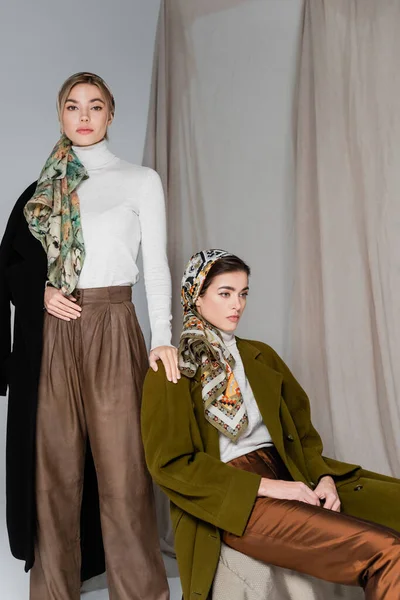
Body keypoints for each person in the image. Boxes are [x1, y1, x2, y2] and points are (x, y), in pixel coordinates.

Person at [0, 71, 179, 600]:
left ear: (110, 115)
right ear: (60, 114)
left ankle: (141, 593)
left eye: (95, 106)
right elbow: (9, 264)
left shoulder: (139, 180)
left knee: (124, 476)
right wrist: (38, 296)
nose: (83, 116)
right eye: (73, 106)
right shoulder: (40, 190)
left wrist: (163, 335)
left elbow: (158, 266)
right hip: (53, 334)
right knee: (51, 477)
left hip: (113, 323)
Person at [142, 249, 400, 600]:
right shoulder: (173, 370)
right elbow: (170, 465)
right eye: (225, 293)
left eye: (243, 293)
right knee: (386, 551)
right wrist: (266, 488)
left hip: (291, 471)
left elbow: (303, 434)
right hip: (234, 495)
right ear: (196, 297)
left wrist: (323, 477)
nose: (238, 304)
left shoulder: (259, 355)